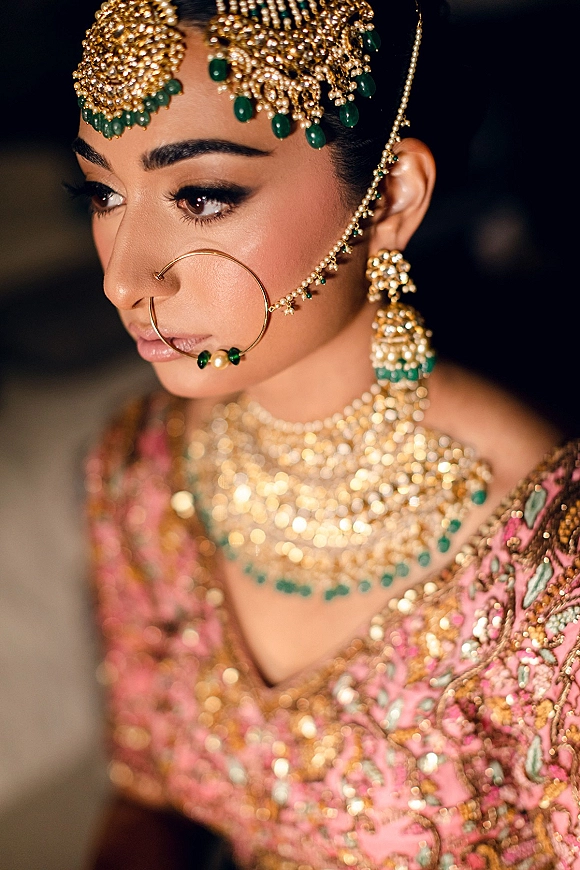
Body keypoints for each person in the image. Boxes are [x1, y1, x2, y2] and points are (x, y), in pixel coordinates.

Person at [71, 0, 580, 867]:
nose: (124, 276)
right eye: (106, 192)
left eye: (202, 197)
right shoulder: (143, 469)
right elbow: (148, 788)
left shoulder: (547, 571)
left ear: (387, 200)